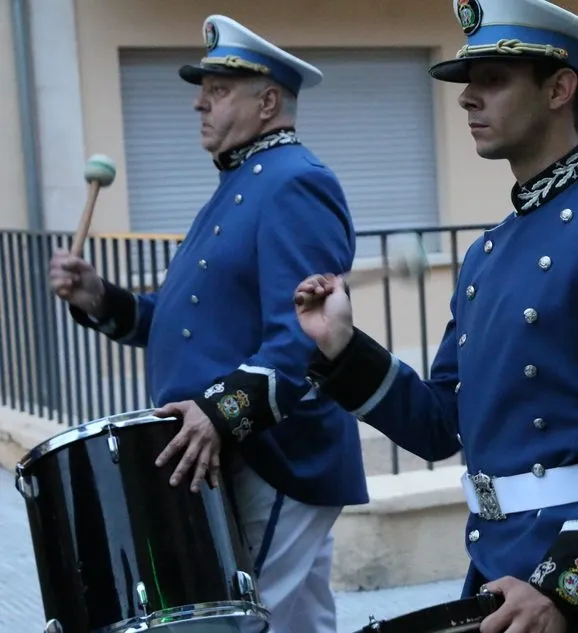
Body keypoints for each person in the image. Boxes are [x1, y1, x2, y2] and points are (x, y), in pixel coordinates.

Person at [292, 1, 578, 631]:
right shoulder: (486, 253)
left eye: (494, 81)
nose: (467, 100)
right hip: (496, 571)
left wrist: (564, 590)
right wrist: (342, 347)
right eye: (468, 83)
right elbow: (441, 424)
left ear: (560, 88)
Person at [47, 14, 368, 633]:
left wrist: (220, 412)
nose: (199, 101)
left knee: (238, 622)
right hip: (240, 451)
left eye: (219, 90)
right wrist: (98, 297)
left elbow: (302, 340)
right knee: (298, 624)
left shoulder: (296, 184)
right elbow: (181, 324)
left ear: (269, 101)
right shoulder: (237, 186)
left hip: (279, 453)